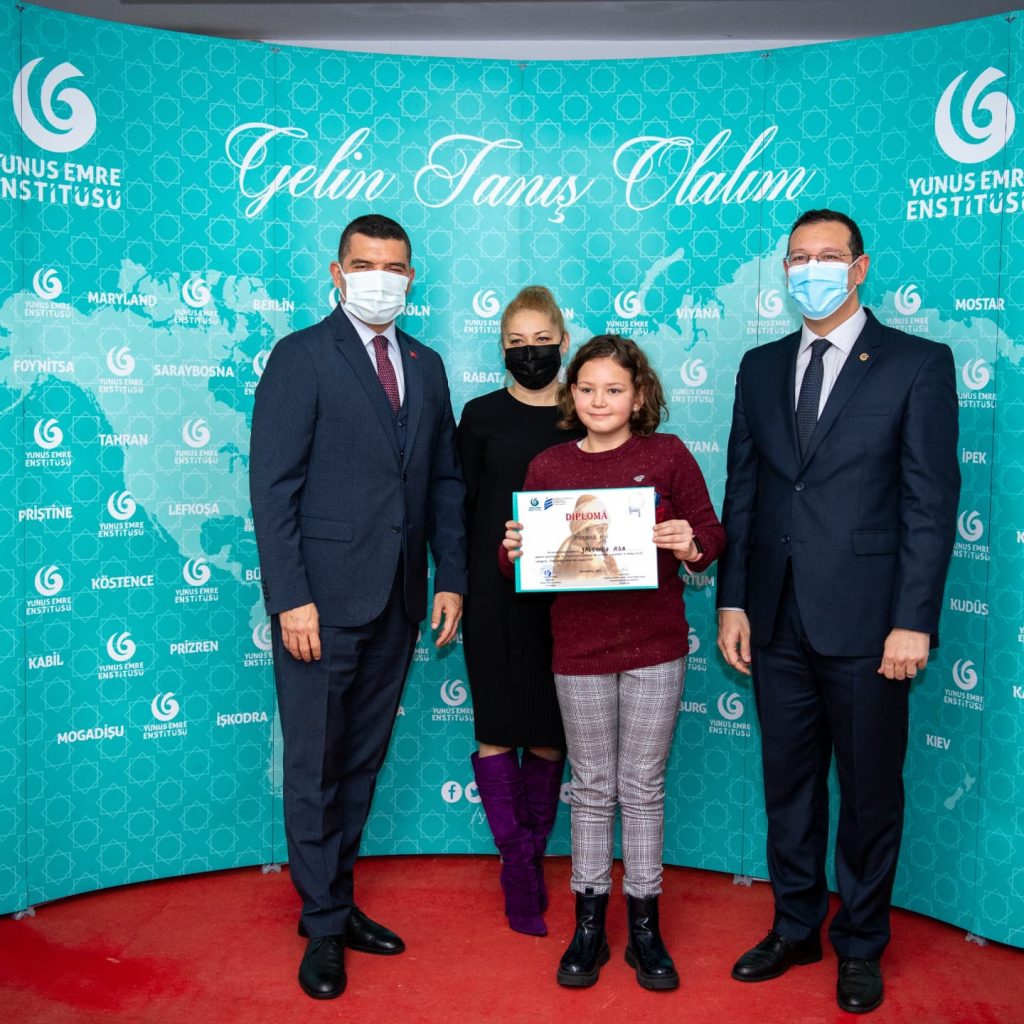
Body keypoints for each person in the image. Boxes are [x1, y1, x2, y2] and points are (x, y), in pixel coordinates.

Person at [716, 209, 959, 1014]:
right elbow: (745, 492)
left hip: (870, 624)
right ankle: (795, 927)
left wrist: (913, 620)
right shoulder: (759, 367)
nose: (810, 269)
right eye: (798, 257)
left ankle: (860, 943)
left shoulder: (917, 364)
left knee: (868, 793)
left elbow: (930, 503)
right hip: (775, 618)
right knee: (788, 787)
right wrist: (733, 601)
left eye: (827, 256)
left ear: (859, 268)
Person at [250, 213, 467, 1001]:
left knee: (360, 763)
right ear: (338, 273)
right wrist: (292, 599)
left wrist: (451, 579)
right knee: (314, 766)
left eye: (396, 267)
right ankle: (321, 926)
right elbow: (273, 488)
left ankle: (336, 904)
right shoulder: (301, 356)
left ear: (412, 278)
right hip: (322, 603)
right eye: (367, 264)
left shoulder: (426, 365)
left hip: (398, 599)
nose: (382, 278)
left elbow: (444, 482)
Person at [502, 335, 725, 990]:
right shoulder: (548, 466)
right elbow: (520, 567)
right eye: (587, 388)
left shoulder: (668, 454)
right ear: (571, 394)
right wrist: (512, 551)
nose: (599, 401)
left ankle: (646, 927)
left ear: (639, 395)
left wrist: (690, 542)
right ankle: (590, 925)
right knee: (594, 787)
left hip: (655, 645)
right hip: (578, 651)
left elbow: (711, 535)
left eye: (614, 389)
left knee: (643, 786)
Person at [457, 286, 580, 937]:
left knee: (552, 733)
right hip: (493, 595)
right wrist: (453, 585)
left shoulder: (586, 412)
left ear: (563, 342)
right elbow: (458, 509)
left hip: (571, 601)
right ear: (501, 347)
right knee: (499, 728)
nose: (530, 353)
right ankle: (518, 868)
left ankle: (530, 853)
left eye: (541, 341)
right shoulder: (479, 415)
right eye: (516, 343)